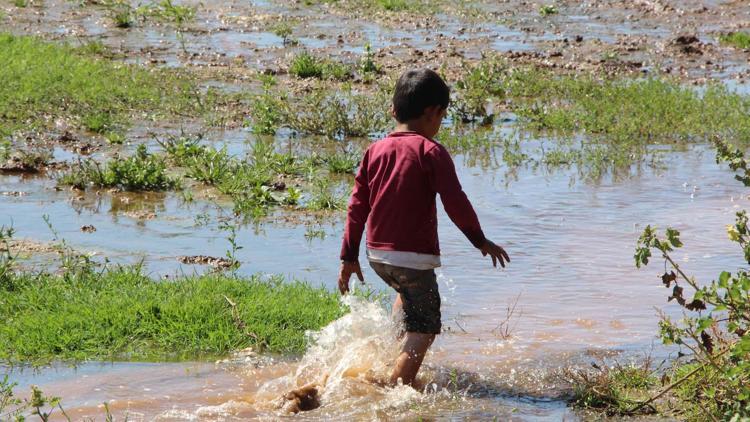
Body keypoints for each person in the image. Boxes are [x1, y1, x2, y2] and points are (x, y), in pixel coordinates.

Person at [338, 68, 510, 387]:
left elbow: (356, 206)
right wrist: (479, 240)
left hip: (377, 256)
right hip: (412, 258)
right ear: (435, 113)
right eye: (442, 117)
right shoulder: (431, 152)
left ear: (394, 110)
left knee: (407, 295)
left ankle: (390, 356)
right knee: (426, 328)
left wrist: (348, 257)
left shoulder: (373, 151)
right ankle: (396, 389)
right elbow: (455, 202)